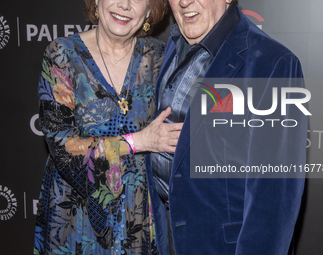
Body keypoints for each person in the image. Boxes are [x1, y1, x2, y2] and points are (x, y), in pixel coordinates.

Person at [145, 0, 308, 254]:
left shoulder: (272, 64)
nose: (184, 2)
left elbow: (274, 203)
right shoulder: (175, 42)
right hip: (169, 237)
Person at [33, 0, 183, 254]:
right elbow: (62, 146)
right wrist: (138, 142)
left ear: (149, 10)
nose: (124, 5)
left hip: (139, 216)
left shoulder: (161, 58)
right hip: (76, 215)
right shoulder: (62, 54)